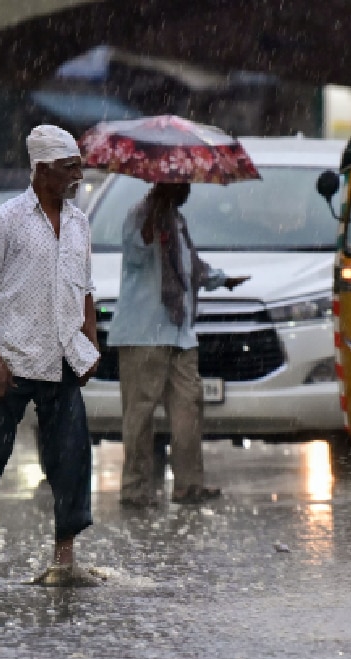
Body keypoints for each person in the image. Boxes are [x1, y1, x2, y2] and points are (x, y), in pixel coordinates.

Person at [0, 125, 101, 586]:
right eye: (69, 168)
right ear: (42, 170)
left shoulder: (79, 224)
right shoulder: (5, 221)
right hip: (9, 356)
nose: (78, 176)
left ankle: (64, 558)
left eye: (78, 166)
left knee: (71, 456)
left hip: (62, 355)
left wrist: (90, 344)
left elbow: (86, 290)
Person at [106, 182, 248, 508]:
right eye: (182, 185)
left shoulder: (177, 220)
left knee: (188, 408)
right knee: (140, 414)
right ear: (167, 186)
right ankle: (136, 488)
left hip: (179, 333)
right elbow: (137, 252)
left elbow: (190, 267)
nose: (188, 191)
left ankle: (189, 484)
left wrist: (223, 280)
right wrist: (152, 220)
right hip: (143, 333)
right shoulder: (140, 215)